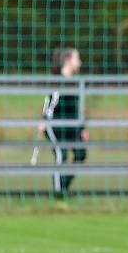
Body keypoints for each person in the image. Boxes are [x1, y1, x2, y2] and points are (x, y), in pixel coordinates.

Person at [39, 48, 88, 195]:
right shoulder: (58, 81)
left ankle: (63, 185)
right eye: (77, 58)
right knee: (62, 155)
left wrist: (82, 128)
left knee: (81, 154)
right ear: (67, 60)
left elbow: (78, 109)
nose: (79, 62)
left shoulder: (76, 82)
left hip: (72, 128)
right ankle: (58, 192)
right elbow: (50, 103)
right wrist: (44, 120)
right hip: (56, 126)